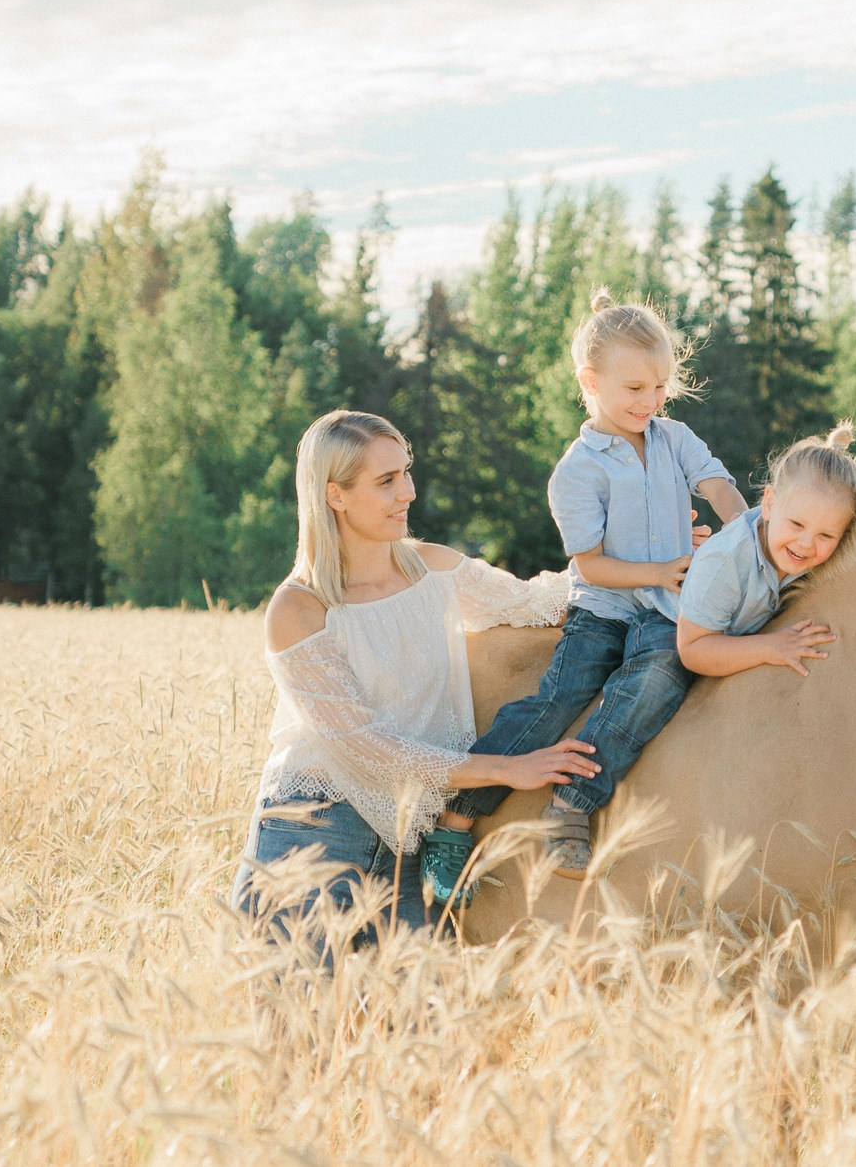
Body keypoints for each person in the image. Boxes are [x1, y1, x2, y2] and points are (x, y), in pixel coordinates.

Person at [233, 409, 601, 971]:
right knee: (299, 1041)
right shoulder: (301, 607)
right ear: (335, 494)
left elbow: (544, 601)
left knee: (418, 1035)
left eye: (406, 472)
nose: (407, 491)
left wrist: (676, 565)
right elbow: (368, 750)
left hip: (413, 838)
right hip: (312, 834)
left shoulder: (435, 570)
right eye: (385, 482)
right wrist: (507, 768)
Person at [422, 290, 747, 903]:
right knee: (558, 698)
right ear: (590, 383)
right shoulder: (575, 470)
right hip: (605, 605)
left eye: (659, 388)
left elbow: (718, 484)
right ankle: (458, 814)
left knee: (658, 674)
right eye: (634, 389)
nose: (649, 402)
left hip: (665, 605)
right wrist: (660, 569)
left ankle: (575, 799)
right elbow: (592, 566)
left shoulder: (674, 437)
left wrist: (745, 533)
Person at [676, 422, 856, 680]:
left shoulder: (818, 556)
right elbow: (692, 649)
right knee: (655, 683)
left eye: (825, 535)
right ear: (769, 503)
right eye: (797, 524)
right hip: (676, 627)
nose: (805, 544)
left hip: (736, 630)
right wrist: (768, 647)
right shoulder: (725, 560)